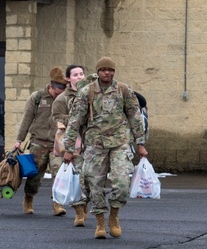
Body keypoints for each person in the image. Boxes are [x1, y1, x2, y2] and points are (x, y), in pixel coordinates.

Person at [62, 57, 147, 239]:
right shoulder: (87, 92)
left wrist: (140, 144)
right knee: (94, 185)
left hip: (119, 143)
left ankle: (114, 215)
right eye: (103, 69)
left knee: (122, 183)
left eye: (110, 70)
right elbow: (75, 121)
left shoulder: (123, 90)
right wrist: (69, 149)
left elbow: (135, 117)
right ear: (98, 71)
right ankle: (100, 220)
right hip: (95, 145)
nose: (107, 72)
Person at [14, 67, 68, 216]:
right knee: (34, 176)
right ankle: (28, 199)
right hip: (38, 142)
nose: (59, 95)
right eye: (57, 92)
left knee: (59, 173)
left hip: (58, 143)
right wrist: (19, 140)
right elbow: (26, 119)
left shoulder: (65, 99)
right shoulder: (37, 97)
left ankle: (57, 204)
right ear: (51, 86)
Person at [52, 64, 88, 226]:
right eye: (75, 75)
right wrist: (77, 118)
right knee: (77, 178)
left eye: (81, 74)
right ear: (68, 79)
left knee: (90, 179)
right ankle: (79, 211)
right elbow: (57, 116)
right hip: (74, 142)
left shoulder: (91, 93)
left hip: (93, 142)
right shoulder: (62, 99)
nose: (79, 77)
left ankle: (85, 204)